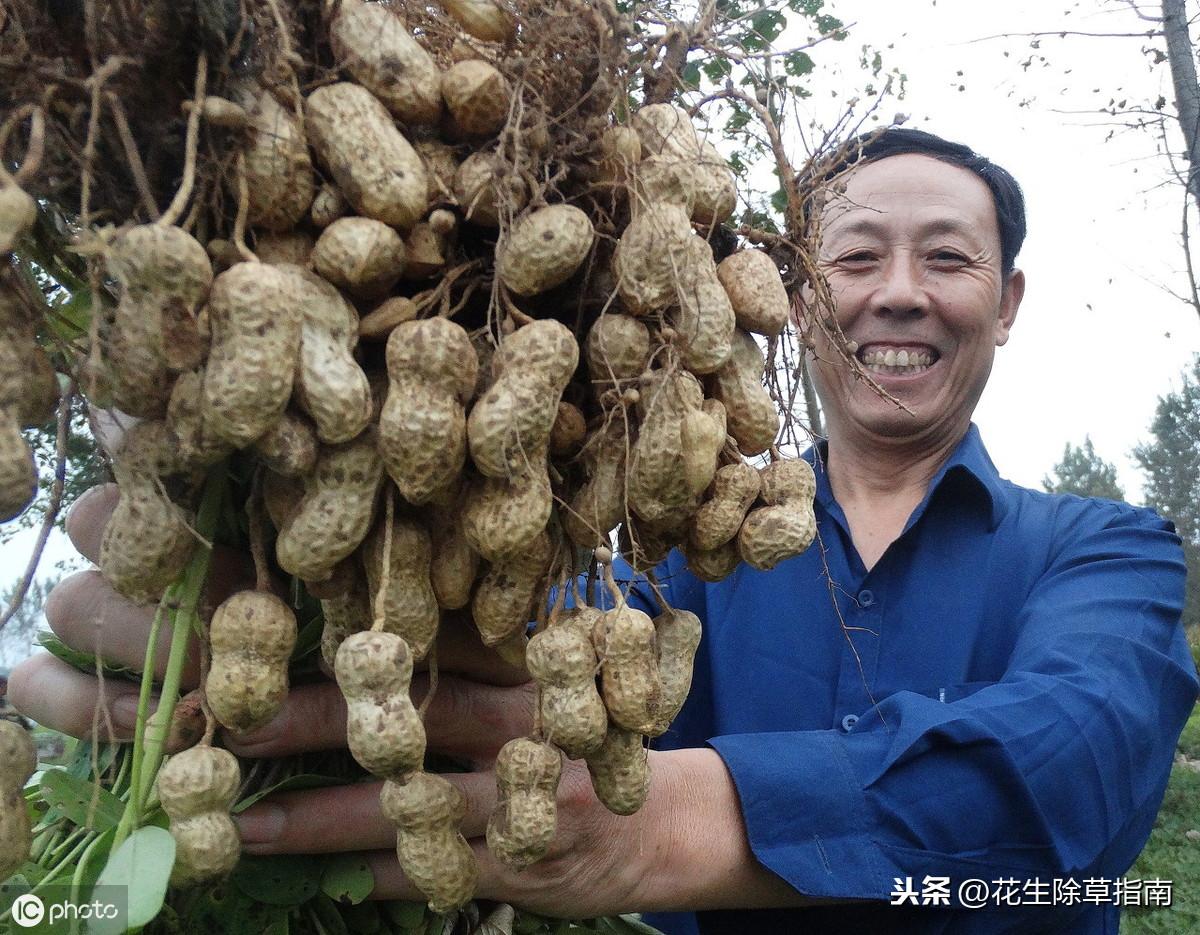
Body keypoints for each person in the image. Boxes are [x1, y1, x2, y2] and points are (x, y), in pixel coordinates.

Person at [9, 128, 1197, 933]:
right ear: (792, 288)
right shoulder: (641, 556)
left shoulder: (1103, 549)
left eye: (948, 257)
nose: (898, 291)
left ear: (1008, 301)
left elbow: (1074, 759)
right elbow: (469, 671)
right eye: (853, 254)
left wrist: (662, 833)